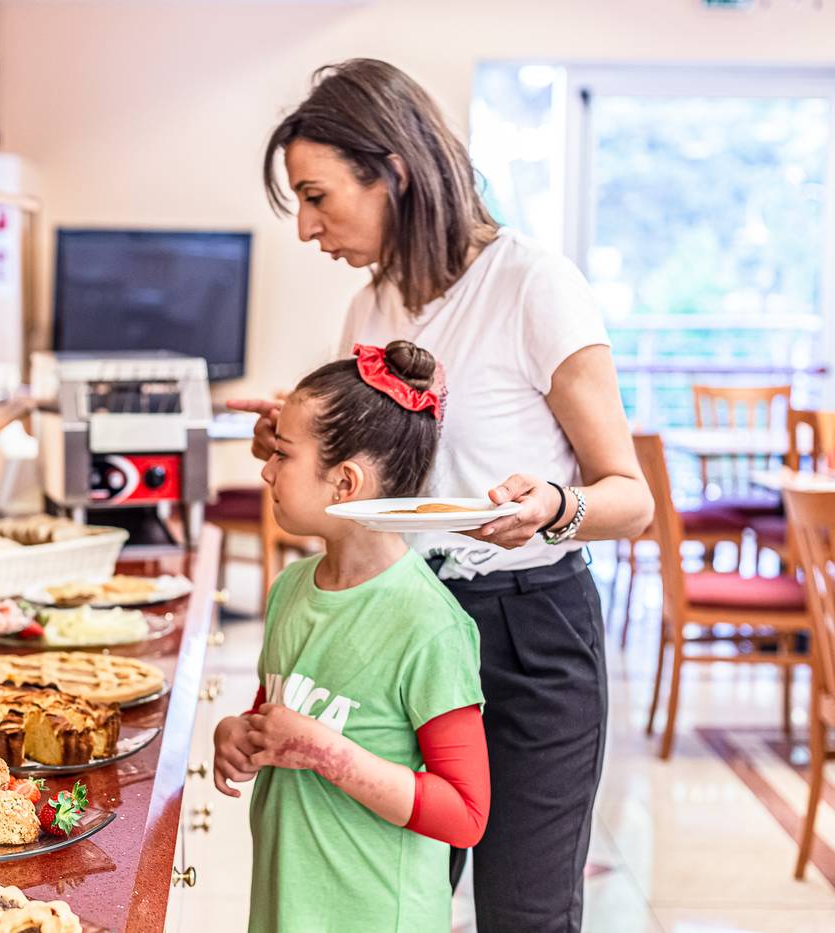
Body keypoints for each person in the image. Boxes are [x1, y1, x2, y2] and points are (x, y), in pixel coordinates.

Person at [230, 59, 654, 933]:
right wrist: (295, 442)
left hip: (527, 629)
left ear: (393, 171)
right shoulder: (369, 308)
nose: (308, 227)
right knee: (393, 893)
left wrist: (553, 506)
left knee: (523, 913)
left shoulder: (533, 285)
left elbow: (630, 497)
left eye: (317, 196)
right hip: (403, 624)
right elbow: (369, 471)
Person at [214, 339, 490, 933]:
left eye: (282, 455)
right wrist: (239, 732)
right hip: (287, 907)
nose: (265, 468)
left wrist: (321, 752)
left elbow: (466, 814)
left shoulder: (429, 624)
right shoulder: (290, 588)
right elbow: (281, 710)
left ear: (344, 483)